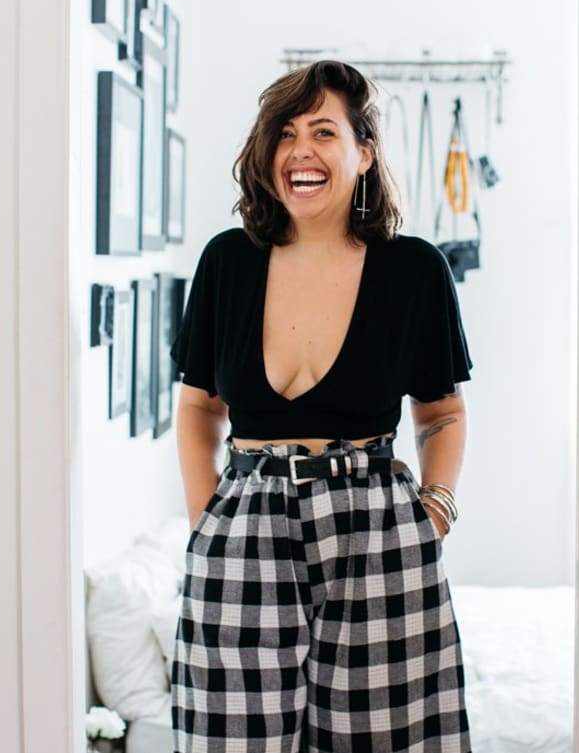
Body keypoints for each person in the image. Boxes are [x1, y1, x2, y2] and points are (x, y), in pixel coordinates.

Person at [169, 60, 474, 753]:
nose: (299, 151)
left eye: (322, 131)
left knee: (389, 738)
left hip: (377, 532)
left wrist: (436, 512)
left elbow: (443, 415)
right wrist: (207, 522)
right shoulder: (226, 262)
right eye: (284, 132)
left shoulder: (417, 271)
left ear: (364, 152)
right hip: (244, 532)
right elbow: (198, 409)